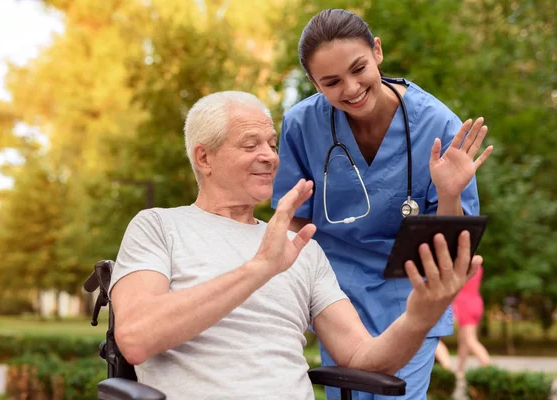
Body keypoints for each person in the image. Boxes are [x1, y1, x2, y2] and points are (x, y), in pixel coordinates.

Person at [109, 91, 483, 400]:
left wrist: (420, 317)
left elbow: (363, 357)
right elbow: (136, 339)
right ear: (204, 157)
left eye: (272, 144)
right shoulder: (159, 227)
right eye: (250, 144)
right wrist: (259, 269)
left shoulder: (301, 246)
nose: (271, 156)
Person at [272, 9, 493, 400]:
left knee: (398, 394)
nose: (351, 88)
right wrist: (287, 292)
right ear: (313, 83)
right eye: (332, 82)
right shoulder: (301, 124)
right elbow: (293, 220)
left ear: (377, 51)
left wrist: (449, 192)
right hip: (333, 291)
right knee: (349, 394)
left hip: (411, 289)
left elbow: (453, 243)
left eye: (358, 68)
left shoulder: (438, 124)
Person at [452, 265, 491, 378]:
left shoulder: (461, 265)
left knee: (470, 340)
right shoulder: (477, 266)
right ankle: (459, 370)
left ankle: (489, 367)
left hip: (464, 304)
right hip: (476, 301)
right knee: (464, 340)